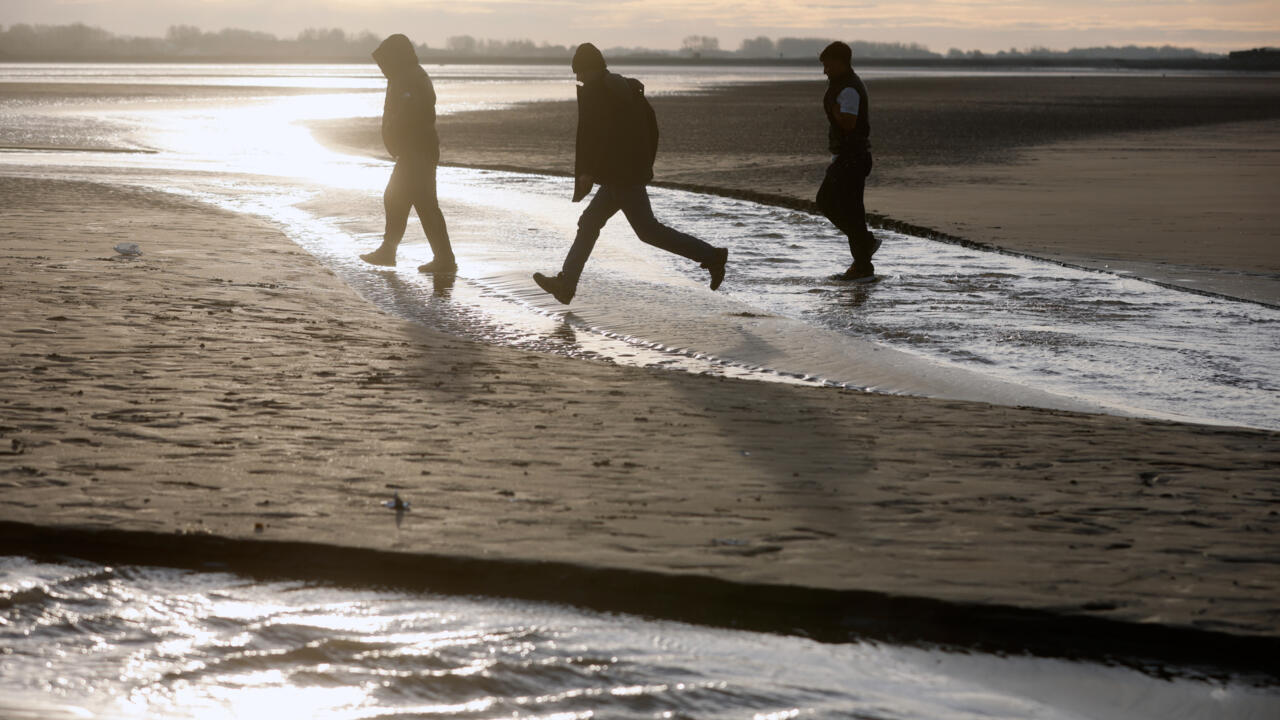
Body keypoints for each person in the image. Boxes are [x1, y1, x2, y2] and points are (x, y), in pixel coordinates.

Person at [532, 43, 728, 305]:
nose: (578, 78)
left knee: (648, 232)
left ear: (592, 69)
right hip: (619, 174)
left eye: (579, 72)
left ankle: (713, 256)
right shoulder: (618, 88)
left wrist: (591, 171)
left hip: (622, 176)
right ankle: (566, 285)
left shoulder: (606, 93)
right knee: (590, 223)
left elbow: (602, 137)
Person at [360, 34, 455, 274]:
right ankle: (438, 258)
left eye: (384, 61)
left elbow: (412, 114)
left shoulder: (411, 78)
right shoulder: (405, 75)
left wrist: (399, 137)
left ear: (396, 57)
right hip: (414, 150)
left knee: (401, 200)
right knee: (414, 203)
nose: (382, 67)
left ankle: (393, 252)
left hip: (417, 151)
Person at [816, 41, 879, 283]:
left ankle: (864, 245)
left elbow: (849, 123)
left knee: (826, 202)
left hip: (852, 158)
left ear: (841, 63)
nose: (825, 71)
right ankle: (862, 267)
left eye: (828, 66)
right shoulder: (845, 84)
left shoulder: (849, 89)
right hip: (850, 157)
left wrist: (833, 108)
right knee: (853, 213)